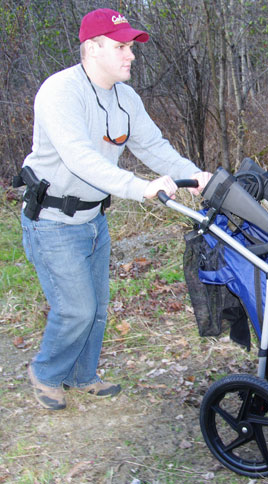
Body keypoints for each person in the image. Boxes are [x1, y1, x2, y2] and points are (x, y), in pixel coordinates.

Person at [19, 8, 212, 410]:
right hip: (53, 221)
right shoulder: (60, 92)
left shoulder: (125, 97)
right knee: (76, 309)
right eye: (121, 47)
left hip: (94, 219)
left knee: (98, 309)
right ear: (92, 47)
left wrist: (195, 177)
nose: (132, 56)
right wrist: (140, 187)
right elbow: (80, 158)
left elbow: (152, 146)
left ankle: (82, 375)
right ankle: (47, 372)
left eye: (131, 47)